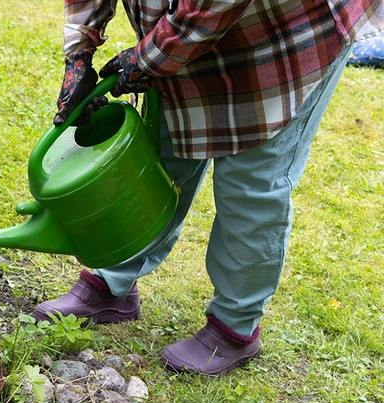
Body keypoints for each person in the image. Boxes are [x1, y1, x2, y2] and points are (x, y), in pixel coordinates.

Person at [36, 0, 384, 376]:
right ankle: (114, 278)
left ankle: (235, 327)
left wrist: (149, 59)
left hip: (282, 30)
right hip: (186, 33)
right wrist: (79, 53)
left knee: (251, 179)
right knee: (159, 150)